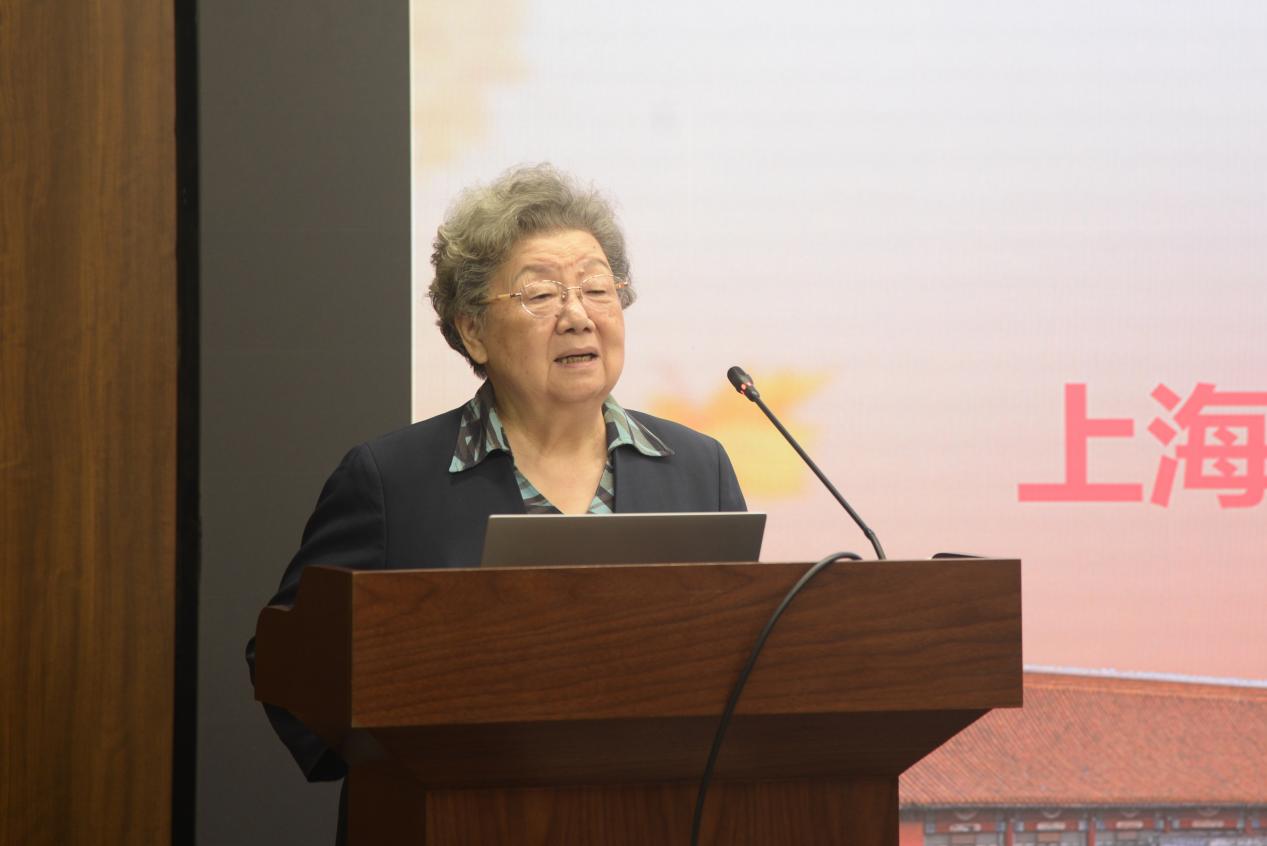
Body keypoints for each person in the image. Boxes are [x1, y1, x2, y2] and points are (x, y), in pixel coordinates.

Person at [245, 163, 746, 840]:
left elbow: (742, 659)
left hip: (660, 818)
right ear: (473, 330)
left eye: (597, 289)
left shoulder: (697, 468)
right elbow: (286, 657)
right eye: (540, 294)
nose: (578, 316)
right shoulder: (390, 480)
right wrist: (398, 753)